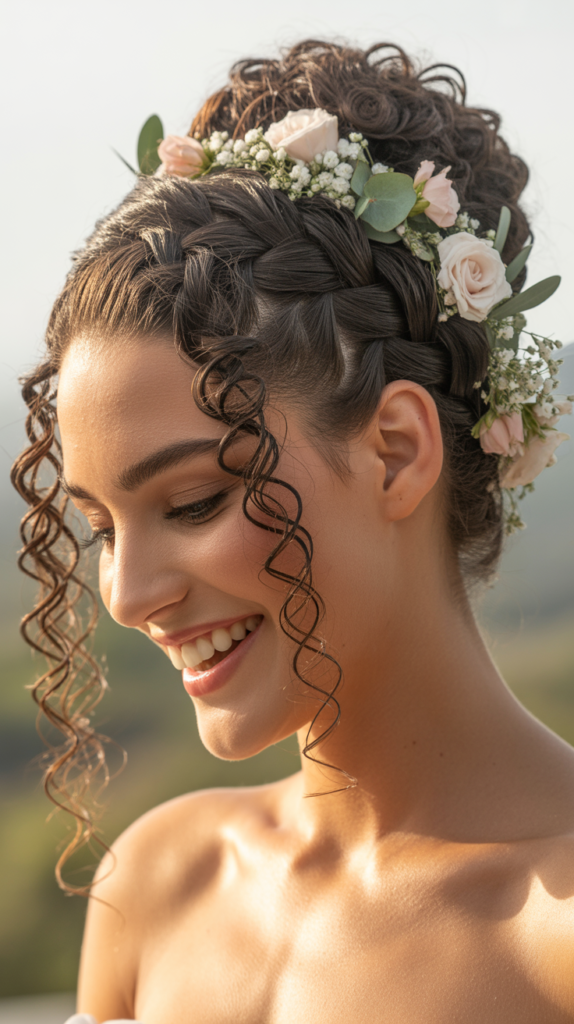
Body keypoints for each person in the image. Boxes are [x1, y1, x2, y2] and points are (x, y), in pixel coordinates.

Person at [11, 39, 574, 1024]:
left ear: (394, 452)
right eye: (101, 528)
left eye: (191, 502)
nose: (129, 595)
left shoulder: (552, 936)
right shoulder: (155, 886)